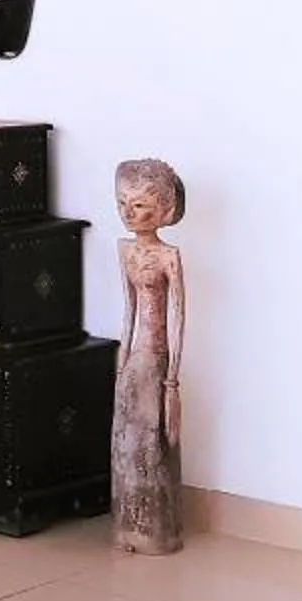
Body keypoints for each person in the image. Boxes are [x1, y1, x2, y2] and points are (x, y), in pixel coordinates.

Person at [110, 157, 189, 554]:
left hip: (157, 359)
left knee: (154, 443)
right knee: (127, 443)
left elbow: (177, 317)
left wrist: (172, 377)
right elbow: (129, 310)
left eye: (139, 205)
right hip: (133, 361)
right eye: (123, 202)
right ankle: (128, 526)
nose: (128, 213)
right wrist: (121, 359)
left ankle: (157, 531)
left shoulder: (168, 256)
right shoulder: (124, 250)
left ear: (164, 211)